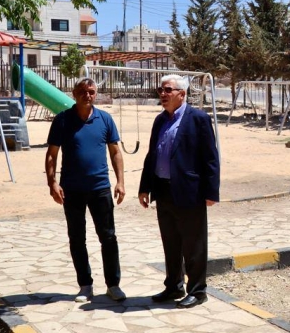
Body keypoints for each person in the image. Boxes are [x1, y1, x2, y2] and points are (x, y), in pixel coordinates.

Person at [139, 75, 220, 309]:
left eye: (168, 90)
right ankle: (174, 286)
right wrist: (145, 187)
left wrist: (211, 192)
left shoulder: (199, 119)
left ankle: (197, 290)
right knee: (171, 242)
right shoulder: (159, 120)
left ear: (182, 94)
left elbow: (210, 158)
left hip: (189, 191)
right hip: (163, 190)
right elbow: (152, 155)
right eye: (160, 90)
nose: (162, 94)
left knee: (193, 244)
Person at [45, 78, 126, 303]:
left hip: (100, 188)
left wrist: (120, 182)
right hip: (71, 190)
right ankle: (85, 285)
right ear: (74, 93)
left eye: (91, 91)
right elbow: (52, 154)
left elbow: (115, 152)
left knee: (108, 237)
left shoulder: (105, 119)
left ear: (95, 94)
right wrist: (52, 183)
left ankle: (113, 285)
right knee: (77, 238)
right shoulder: (62, 120)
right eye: (82, 91)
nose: (87, 95)